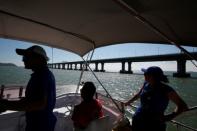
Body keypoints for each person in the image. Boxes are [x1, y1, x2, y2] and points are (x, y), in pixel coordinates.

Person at [0, 45, 57, 131]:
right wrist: (23, 100)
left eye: (26, 57)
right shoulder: (41, 74)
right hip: (40, 123)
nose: (23, 60)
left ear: (38, 58)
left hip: (40, 126)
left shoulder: (42, 76)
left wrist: (5, 105)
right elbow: (37, 99)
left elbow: (39, 104)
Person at [124, 66, 188, 131]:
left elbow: (182, 106)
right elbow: (139, 94)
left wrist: (168, 118)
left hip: (154, 124)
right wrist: (128, 102)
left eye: (145, 74)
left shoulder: (165, 89)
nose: (144, 75)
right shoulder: (146, 84)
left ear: (152, 76)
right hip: (138, 119)